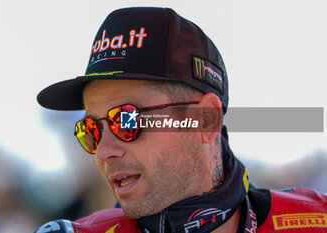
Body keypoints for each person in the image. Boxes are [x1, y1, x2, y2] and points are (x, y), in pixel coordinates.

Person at [34, 7, 327, 233]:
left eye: (126, 120)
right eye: (91, 130)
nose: (102, 152)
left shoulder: (314, 220)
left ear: (205, 119)